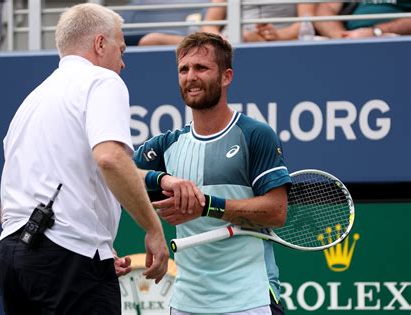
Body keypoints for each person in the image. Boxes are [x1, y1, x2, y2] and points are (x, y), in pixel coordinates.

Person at [0, 4, 174, 314]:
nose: (123, 63)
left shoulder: (31, 101)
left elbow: (7, 204)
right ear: (100, 44)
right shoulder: (102, 81)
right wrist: (153, 229)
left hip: (13, 259)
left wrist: (98, 246)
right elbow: (110, 158)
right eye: (121, 49)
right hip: (67, 261)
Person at [133, 32, 292, 314]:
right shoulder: (167, 144)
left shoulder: (255, 134)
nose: (190, 76)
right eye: (184, 69)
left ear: (226, 76)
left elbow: (276, 211)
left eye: (201, 68)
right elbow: (118, 169)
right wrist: (162, 179)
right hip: (186, 302)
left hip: (250, 299)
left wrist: (207, 206)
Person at [138, 0, 316, 45]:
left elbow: (305, 23)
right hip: (225, 41)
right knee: (151, 40)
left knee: (246, 38)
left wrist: (278, 35)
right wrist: (217, 38)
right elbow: (210, 22)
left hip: (268, 41)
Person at [314, 1, 411, 39]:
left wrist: (376, 32)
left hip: (396, 40)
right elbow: (325, 9)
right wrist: (341, 36)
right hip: (350, 40)